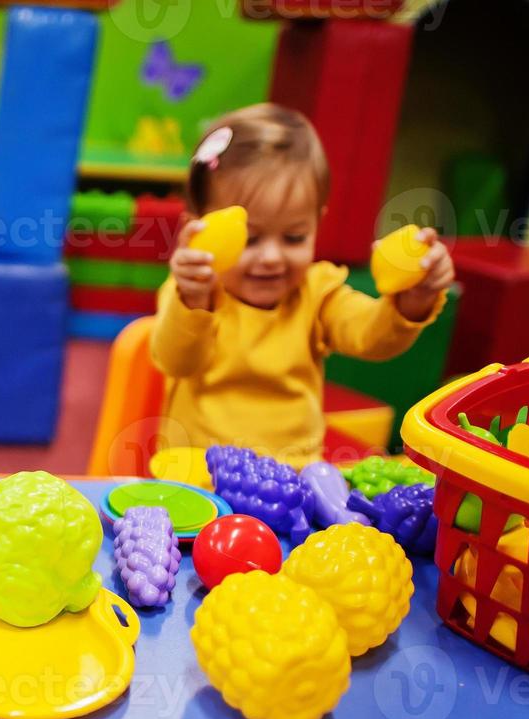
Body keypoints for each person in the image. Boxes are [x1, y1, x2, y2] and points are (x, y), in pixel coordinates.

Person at [153, 103, 455, 469]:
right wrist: (194, 298)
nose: (271, 258)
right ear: (196, 229)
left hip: (293, 474)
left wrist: (415, 298)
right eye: (248, 239)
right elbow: (176, 360)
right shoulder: (193, 293)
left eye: (294, 237)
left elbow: (372, 337)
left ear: (317, 222)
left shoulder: (318, 292)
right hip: (201, 469)